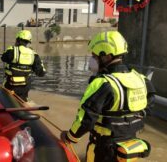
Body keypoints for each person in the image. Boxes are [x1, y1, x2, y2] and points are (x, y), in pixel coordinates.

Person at [60, 31, 155, 162]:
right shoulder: (142, 79)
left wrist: (70, 137)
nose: (92, 59)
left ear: (106, 57)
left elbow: (85, 120)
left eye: (94, 55)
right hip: (129, 149)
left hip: (104, 149)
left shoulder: (103, 83)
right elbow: (149, 105)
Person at [1, 30, 46, 101]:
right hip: (24, 87)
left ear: (17, 40)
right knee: (23, 101)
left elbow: (3, 58)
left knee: (7, 100)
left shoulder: (11, 50)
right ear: (28, 42)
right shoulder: (34, 54)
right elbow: (41, 73)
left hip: (10, 85)